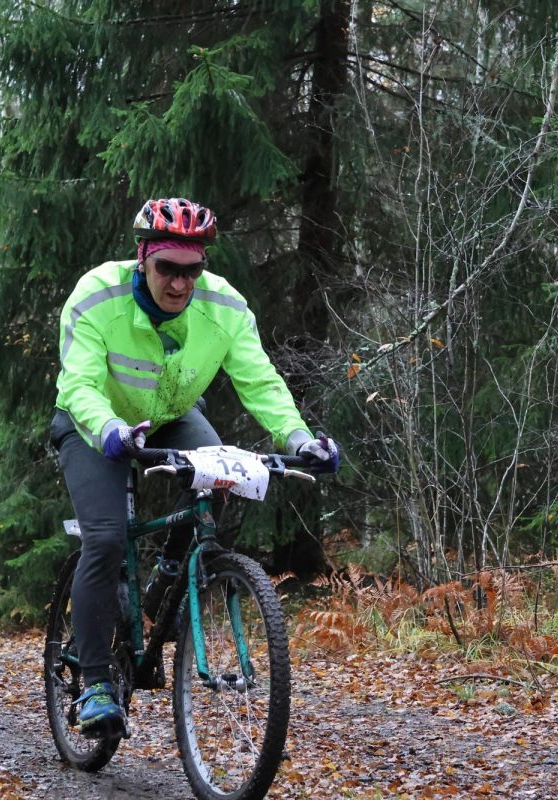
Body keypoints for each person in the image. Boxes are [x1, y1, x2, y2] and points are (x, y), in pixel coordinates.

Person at [49, 197, 341, 736]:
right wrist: (110, 429)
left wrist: (300, 439)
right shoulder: (98, 295)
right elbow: (80, 383)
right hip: (94, 423)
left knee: (222, 479)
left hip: (170, 416)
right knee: (106, 540)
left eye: (192, 270)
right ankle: (95, 684)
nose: (180, 283)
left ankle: (169, 576)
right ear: (143, 257)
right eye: (168, 268)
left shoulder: (224, 306)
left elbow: (260, 380)